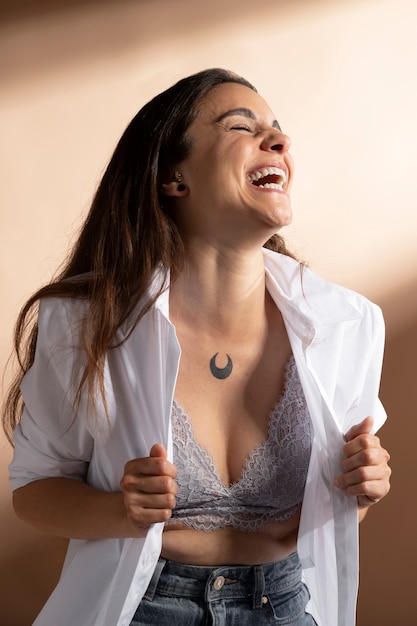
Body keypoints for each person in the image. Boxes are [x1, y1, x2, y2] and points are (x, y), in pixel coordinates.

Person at [2, 68, 391, 626]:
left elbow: (330, 519)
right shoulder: (89, 322)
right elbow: (34, 490)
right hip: (144, 607)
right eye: (242, 126)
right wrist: (120, 509)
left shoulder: (347, 325)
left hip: (284, 607)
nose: (278, 141)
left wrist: (361, 490)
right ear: (173, 178)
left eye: (278, 131)